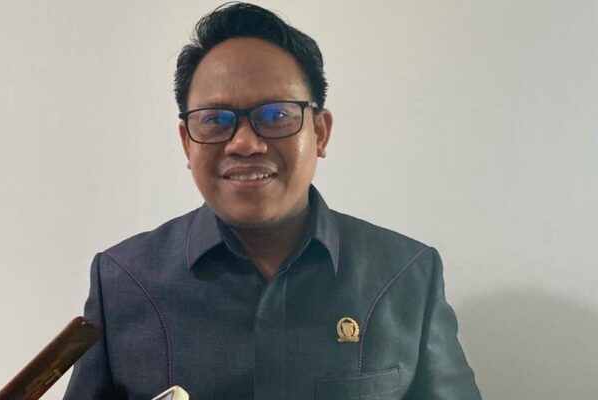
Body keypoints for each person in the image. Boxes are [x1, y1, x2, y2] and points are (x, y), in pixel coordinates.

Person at [64, 3, 480, 399]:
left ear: (320, 133)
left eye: (276, 115)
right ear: (187, 143)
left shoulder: (406, 275)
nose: (245, 143)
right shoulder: (123, 281)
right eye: (214, 120)